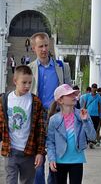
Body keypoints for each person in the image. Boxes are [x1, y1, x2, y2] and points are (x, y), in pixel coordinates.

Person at [28, 32, 72, 184]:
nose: (44, 49)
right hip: (37, 117)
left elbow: (68, 91)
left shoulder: (62, 67)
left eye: (46, 45)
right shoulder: (29, 69)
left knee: (57, 159)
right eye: (40, 46)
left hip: (57, 116)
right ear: (34, 48)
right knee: (37, 160)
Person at [0, 65, 46, 184]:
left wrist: (40, 152)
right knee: (10, 181)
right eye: (24, 82)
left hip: (29, 151)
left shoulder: (35, 102)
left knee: (27, 182)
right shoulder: (4, 100)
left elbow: (40, 130)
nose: (27, 86)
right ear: (15, 81)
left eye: (30, 82)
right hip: (11, 151)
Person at [46, 84, 96, 184]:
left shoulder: (82, 114)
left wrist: (85, 121)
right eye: (69, 95)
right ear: (60, 100)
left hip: (77, 161)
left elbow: (92, 137)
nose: (74, 96)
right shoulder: (54, 120)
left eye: (74, 94)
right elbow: (50, 142)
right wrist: (51, 159)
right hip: (59, 161)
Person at [83, 83, 101, 149]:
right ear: (91, 88)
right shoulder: (87, 96)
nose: (94, 89)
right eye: (93, 87)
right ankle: (87, 141)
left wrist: (99, 114)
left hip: (96, 115)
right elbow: (85, 105)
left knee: (95, 129)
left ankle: (92, 142)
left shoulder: (98, 96)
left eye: (95, 87)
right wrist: (84, 113)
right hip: (88, 115)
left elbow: (99, 106)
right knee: (88, 128)